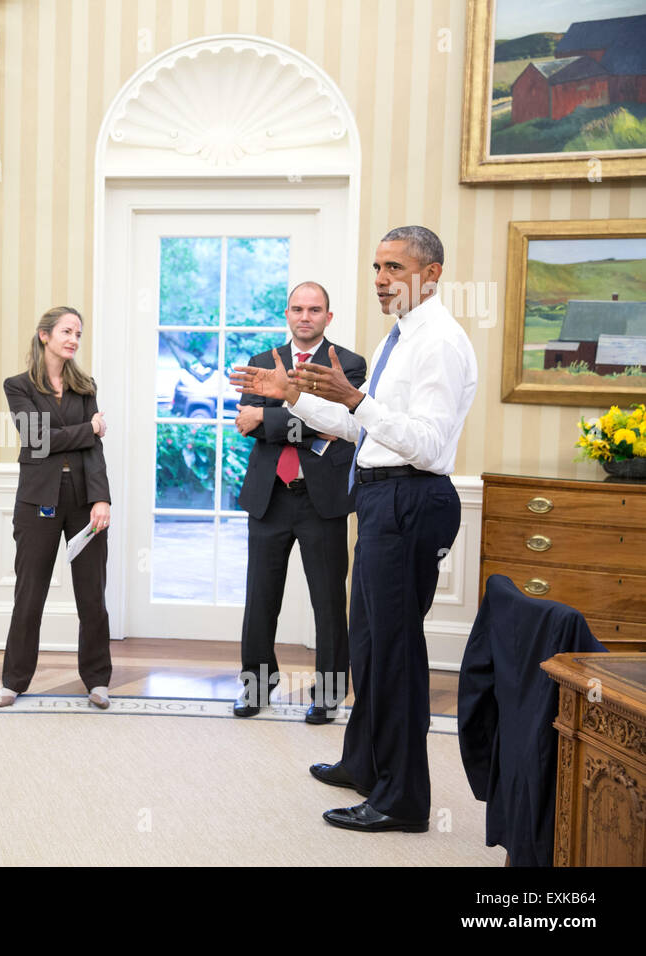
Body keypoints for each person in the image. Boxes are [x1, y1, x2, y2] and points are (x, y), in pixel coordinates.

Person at [230, 226, 477, 833]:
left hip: (410, 500)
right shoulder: (400, 336)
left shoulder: (439, 342)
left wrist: (355, 399)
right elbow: (363, 431)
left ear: (433, 273)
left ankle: (401, 800)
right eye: (376, 267)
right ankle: (364, 762)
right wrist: (294, 396)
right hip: (380, 498)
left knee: (394, 655)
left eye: (395, 267)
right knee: (369, 647)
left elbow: (425, 444)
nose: (381, 279)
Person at [233, 282, 366, 723]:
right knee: (260, 597)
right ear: (287, 315)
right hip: (269, 496)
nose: (305, 316)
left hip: (321, 499)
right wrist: (300, 422)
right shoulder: (260, 362)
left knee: (328, 600)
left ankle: (328, 694)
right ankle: (256, 685)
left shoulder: (346, 364)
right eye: (297, 309)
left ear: (329, 317)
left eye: (314, 310)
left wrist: (272, 414)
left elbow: (342, 423)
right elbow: (246, 424)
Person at [0, 306, 112, 709]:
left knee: (92, 596)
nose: (73, 339)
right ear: (44, 335)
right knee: (30, 595)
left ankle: (98, 680)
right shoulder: (18, 386)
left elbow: (93, 450)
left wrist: (102, 498)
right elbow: (36, 438)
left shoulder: (85, 386)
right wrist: (90, 428)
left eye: (78, 333)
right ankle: (13, 680)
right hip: (37, 500)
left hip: (84, 501)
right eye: (66, 331)